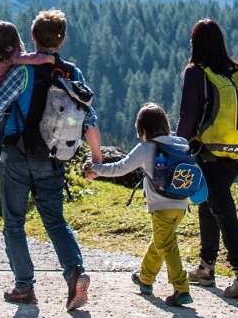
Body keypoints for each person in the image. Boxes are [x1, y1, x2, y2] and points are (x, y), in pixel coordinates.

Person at [0, 9, 103, 311]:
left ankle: (24, 286)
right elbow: (89, 119)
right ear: (62, 40)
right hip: (54, 158)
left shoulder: (22, 71)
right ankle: (75, 274)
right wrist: (97, 158)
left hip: (17, 154)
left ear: (33, 37)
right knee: (55, 221)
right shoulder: (73, 74)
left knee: (14, 222)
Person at [177, 17, 238, 299]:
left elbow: (187, 116)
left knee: (222, 207)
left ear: (195, 44)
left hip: (208, 151)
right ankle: (206, 268)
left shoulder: (196, 72)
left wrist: (176, 148)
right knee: (208, 201)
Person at [85, 103, 198, 306]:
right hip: (181, 205)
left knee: (167, 245)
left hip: (161, 207)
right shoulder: (180, 143)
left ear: (143, 129)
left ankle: (181, 289)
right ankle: (145, 278)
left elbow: (121, 168)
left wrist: (96, 168)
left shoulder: (147, 148)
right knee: (160, 242)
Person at [0, 20, 55, 175]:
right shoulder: (12, 57)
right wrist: (48, 59)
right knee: (5, 128)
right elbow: (32, 58)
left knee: (2, 128)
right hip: (7, 97)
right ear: (15, 40)